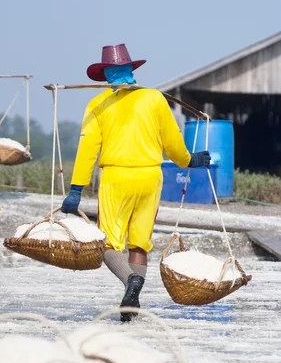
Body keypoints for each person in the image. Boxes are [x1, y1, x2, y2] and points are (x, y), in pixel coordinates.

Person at [61, 44, 211, 322]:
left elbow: (87, 150)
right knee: (139, 245)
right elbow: (173, 143)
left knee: (107, 243)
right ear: (131, 70)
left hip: (116, 179)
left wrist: (76, 189)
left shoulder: (97, 105)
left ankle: (131, 281)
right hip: (150, 177)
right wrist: (190, 161)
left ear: (106, 74)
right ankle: (132, 304)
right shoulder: (154, 98)